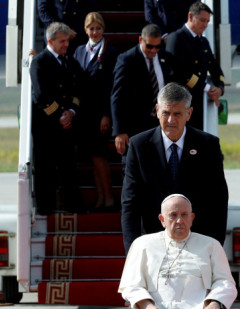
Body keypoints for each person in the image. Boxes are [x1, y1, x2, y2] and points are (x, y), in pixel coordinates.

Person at [121, 82, 228, 253]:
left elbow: (218, 200)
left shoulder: (208, 146)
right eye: (166, 113)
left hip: (198, 243)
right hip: (153, 244)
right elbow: (130, 203)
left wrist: (214, 247)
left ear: (189, 113)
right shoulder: (139, 146)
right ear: (157, 110)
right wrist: (133, 251)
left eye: (177, 114)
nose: (171, 120)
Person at [29, 22, 83, 215]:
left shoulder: (69, 62)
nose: (66, 45)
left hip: (67, 123)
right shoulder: (40, 62)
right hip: (47, 126)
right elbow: (40, 96)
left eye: (67, 41)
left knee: (68, 166)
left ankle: (72, 205)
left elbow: (78, 90)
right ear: (50, 41)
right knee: (46, 169)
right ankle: (46, 208)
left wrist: (72, 112)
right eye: (62, 41)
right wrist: (60, 115)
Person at [73, 12, 118, 210]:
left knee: (100, 156)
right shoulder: (79, 51)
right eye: (91, 28)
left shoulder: (111, 52)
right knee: (92, 157)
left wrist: (106, 114)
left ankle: (109, 197)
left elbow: (112, 86)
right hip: (84, 114)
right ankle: (100, 197)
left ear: (104, 29)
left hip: (100, 114)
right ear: (85, 30)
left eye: (98, 28)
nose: (95, 32)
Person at [111, 24, 175, 156]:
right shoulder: (127, 59)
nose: (153, 50)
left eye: (157, 46)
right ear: (141, 40)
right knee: (134, 168)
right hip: (135, 126)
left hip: (161, 124)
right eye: (149, 46)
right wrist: (119, 131)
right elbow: (117, 97)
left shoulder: (166, 58)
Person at [165, 2, 225, 130]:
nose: (205, 25)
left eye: (207, 21)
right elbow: (180, 73)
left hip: (197, 102)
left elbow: (214, 67)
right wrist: (207, 87)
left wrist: (219, 88)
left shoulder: (203, 41)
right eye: (202, 20)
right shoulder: (176, 39)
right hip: (180, 102)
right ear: (191, 16)